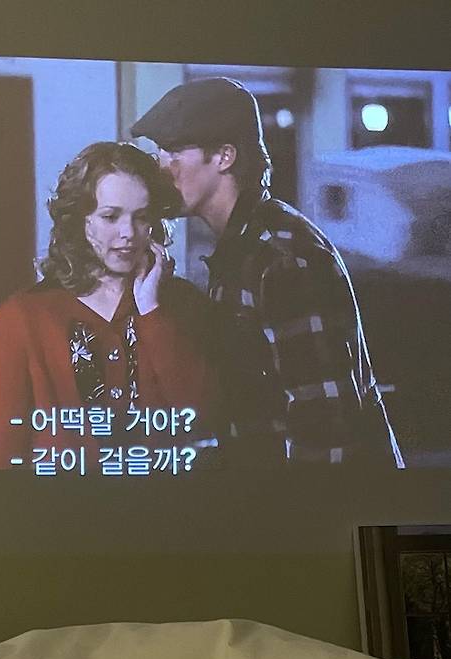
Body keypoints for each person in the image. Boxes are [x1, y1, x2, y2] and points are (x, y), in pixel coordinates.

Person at [131, 77, 404, 468]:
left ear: (224, 156)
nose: (161, 166)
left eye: (173, 151)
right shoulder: (241, 249)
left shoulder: (280, 256)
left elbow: (327, 430)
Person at [0, 141, 216, 471]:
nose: (128, 233)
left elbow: (203, 416)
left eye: (141, 217)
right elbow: (3, 454)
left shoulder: (182, 305)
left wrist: (151, 312)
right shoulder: (22, 317)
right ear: (80, 221)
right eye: (110, 217)